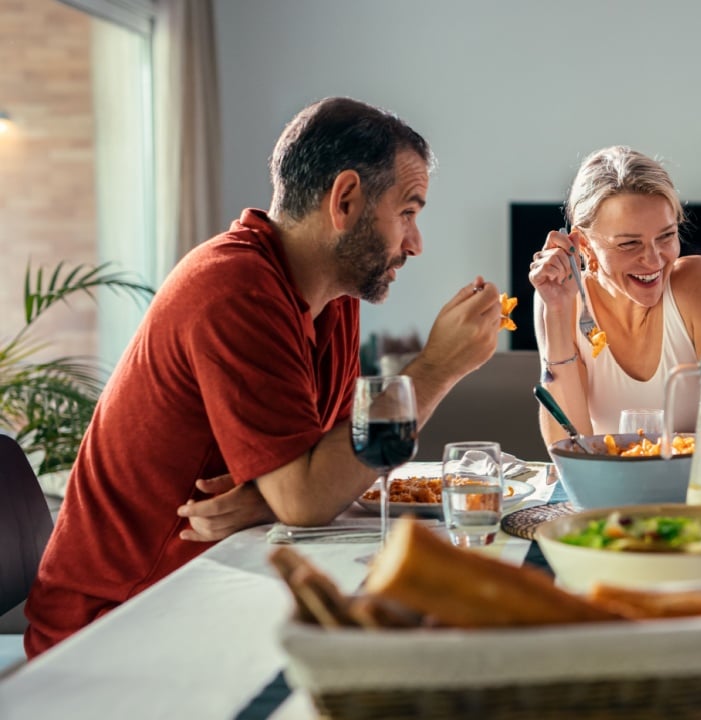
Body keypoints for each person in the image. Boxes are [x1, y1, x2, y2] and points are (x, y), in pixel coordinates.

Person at [25, 97, 505, 657]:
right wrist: (436, 369)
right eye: (408, 212)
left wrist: (269, 497)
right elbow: (308, 496)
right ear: (345, 200)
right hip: (117, 628)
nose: (415, 243)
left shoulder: (332, 297)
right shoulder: (233, 288)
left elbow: (329, 466)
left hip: (211, 586)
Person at [527, 146, 701, 444]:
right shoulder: (563, 302)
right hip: (607, 488)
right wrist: (555, 310)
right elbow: (570, 449)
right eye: (630, 244)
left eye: (666, 236)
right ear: (584, 245)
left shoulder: (695, 282)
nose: (654, 261)